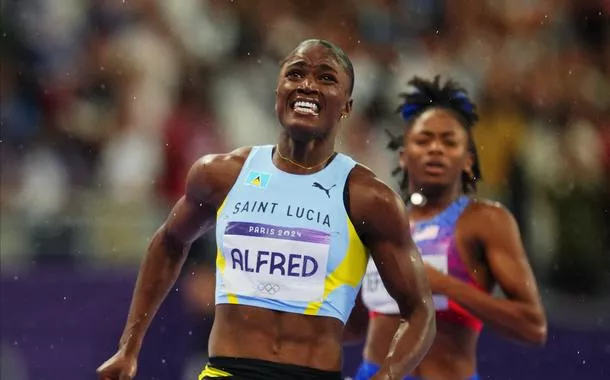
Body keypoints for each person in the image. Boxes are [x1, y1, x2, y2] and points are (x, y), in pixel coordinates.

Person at [96, 39, 436, 380]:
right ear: (278, 92)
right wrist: (129, 346)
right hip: (226, 372)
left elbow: (420, 311)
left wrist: (387, 376)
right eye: (296, 74)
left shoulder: (369, 198)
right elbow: (169, 242)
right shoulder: (222, 174)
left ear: (346, 106)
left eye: (326, 78)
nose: (307, 85)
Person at [350, 76, 548, 380]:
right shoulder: (382, 221)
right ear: (403, 157)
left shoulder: (485, 220)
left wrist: (444, 285)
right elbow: (361, 322)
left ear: (468, 161)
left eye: (449, 141)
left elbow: (533, 327)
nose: (435, 149)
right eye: (423, 140)